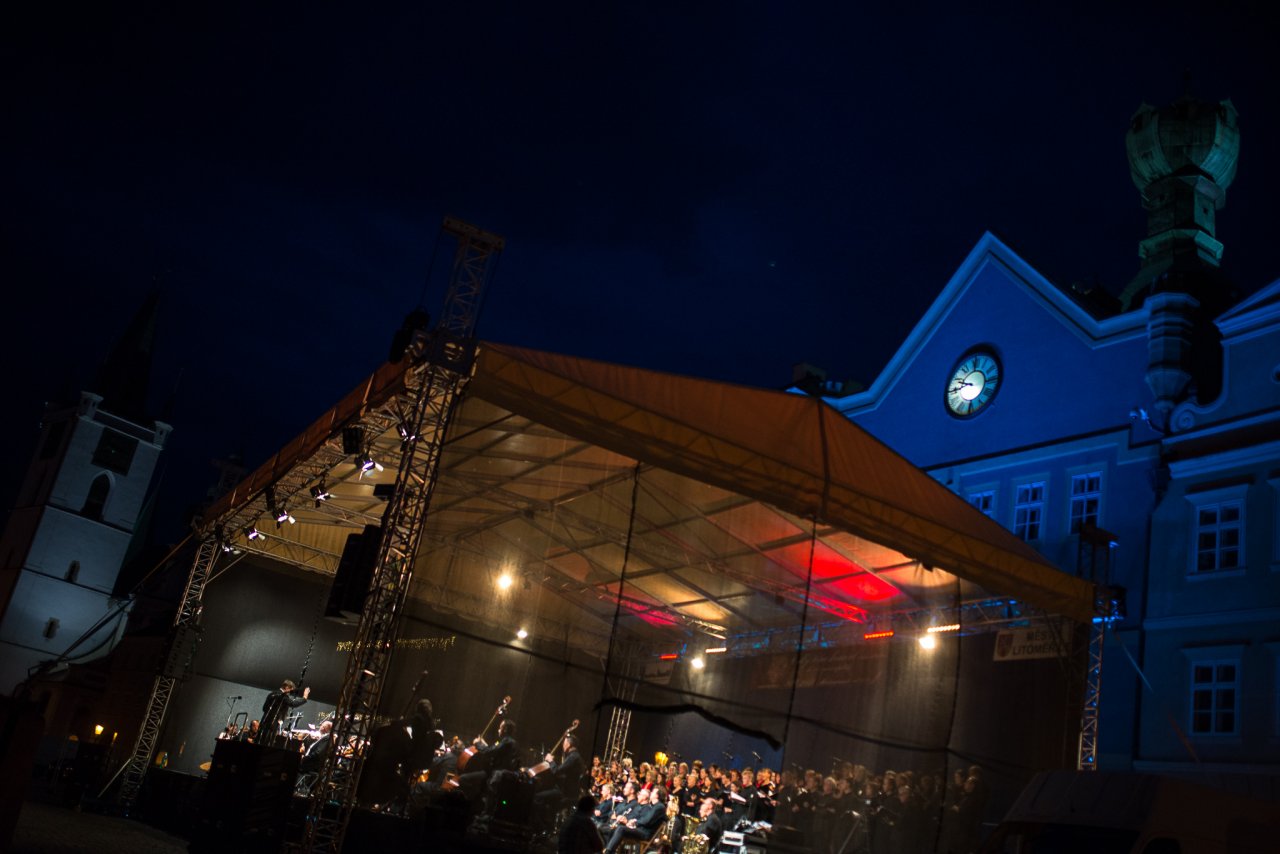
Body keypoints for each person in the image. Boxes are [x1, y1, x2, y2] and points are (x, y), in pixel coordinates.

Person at [602, 787, 663, 854]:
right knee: (613, 829)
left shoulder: (653, 807)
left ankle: (608, 851)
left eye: (640, 794)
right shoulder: (646, 806)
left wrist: (632, 822)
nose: (638, 796)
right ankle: (607, 849)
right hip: (637, 829)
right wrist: (626, 820)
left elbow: (645, 821)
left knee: (621, 828)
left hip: (643, 832)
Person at [260, 679, 309, 746]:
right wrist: (304, 698)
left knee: (260, 739)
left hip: (264, 721)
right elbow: (293, 703)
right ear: (287, 687)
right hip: (272, 724)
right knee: (267, 742)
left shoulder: (272, 694)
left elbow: (264, 708)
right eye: (291, 690)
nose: (290, 693)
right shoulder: (282, 696)